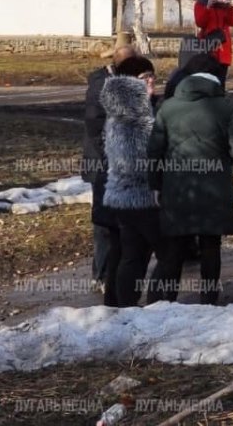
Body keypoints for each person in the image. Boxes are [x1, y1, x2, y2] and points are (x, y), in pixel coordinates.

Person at [149, 66, 233, 305]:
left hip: (177, 188)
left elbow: (154, 151)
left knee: (175, 244)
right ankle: (208, 300)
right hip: (214, 188)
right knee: (210, 245)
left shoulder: (167, 108)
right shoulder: (225, 107)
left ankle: (168, 300)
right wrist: (224, 160)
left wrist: (155, 185)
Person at [101, 56, 167, 307]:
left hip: (125, 197)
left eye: (152, 75)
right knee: (168, 253)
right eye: (143, 78)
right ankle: (158, 306)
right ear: (130, 83)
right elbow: (136, 160)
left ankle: (124, 308)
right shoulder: (133, 114)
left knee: (133, 256)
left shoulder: (135, 107)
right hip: (141, 196)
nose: (151, 81)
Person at [83, 42, 137, 299]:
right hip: (103, 164)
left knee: (117, 222)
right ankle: (102, 274)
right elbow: (96, 129)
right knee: (104, 224)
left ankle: (111, 273)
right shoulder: (100, 87)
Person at [193, 0, 233, 85]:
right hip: (208, 43)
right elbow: (200, 23)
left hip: (223, 43)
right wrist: (208, 7)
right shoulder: (200, 4)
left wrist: (229, 7)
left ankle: (220, 98)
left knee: (221, 77)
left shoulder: (223, 4)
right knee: (208, 77)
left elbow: (232, 22)